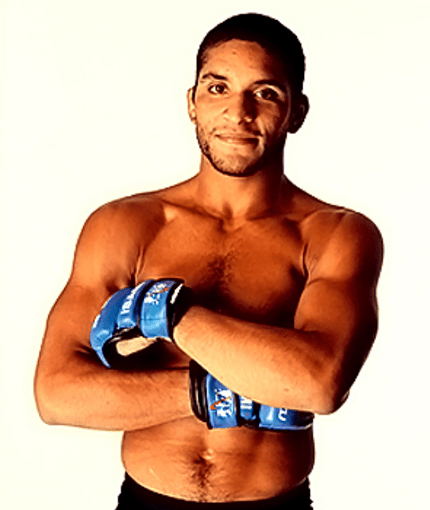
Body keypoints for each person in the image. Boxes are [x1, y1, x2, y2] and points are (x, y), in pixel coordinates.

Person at [34, 12, 383, 510]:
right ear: (192, 103)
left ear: (297, 113)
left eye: (265, 93)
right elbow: (57, 394)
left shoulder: (334, 234)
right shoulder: (126, 225)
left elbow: (319, 384)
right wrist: (220, 393)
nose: (238, 113)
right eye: (218, 88)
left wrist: (171, 314)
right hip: (145, 501)